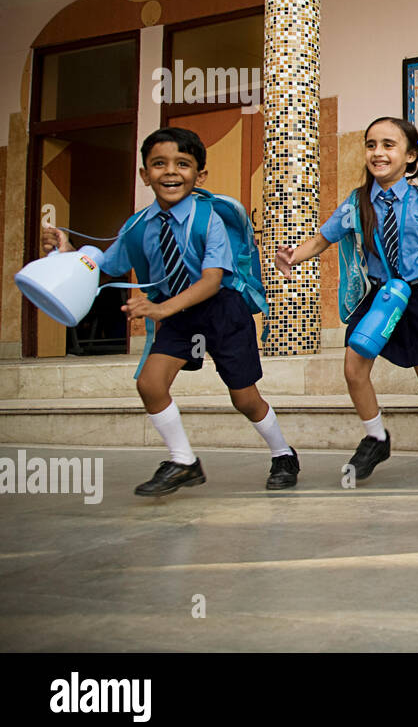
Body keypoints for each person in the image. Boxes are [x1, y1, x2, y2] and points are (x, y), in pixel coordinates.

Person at [41, 127, 299, 495]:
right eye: (159, 164)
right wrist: (68, 253)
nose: (171, 172)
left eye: (183, 164)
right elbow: (102, 266)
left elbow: (212, 280)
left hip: (221, 309)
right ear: (145, 174)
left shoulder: (208, 218)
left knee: (244, 398)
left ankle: (283, 454)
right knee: (149, 383)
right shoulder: (137, 227)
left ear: (200, 175)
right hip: (178, 315)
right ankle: (184, 462)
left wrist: (160, 310)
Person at [275, 116, 418, 480]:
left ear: (410, 157)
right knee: (353, 369)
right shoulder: (356, 203)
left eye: (389, 145)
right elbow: (323, 238)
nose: (378, 152)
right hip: (377, 296)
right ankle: (376, 437)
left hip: (416, 297)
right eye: (371, 145)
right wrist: (294, 255)